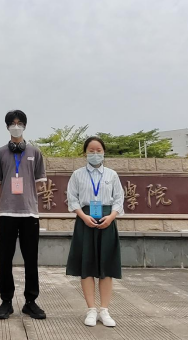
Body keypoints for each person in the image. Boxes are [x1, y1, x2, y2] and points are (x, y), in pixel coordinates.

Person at [0, 110, 47, 321]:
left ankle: (31, 302)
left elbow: (40, 184)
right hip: (7, 213)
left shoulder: (35, 152)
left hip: (29, 213)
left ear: (24, 126)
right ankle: (6, 301)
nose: (16, 126)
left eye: (19, 123)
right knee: (5, 259)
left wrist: (27, 195)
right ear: (7, 127)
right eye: (12, 123)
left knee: (31, 259)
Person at [66, 137, 125, 328]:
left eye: (98, 150)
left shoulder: (112, 175)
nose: (95, 154)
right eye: (91, 151)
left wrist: (111, 217)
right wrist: (83, 217)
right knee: (87, 265)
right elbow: (72, 198)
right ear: (85, 153)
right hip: (85, 221)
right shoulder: (77, 175)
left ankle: (104, 310)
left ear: (104, 152)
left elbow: (119, 199)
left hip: (107, 221)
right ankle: (91, 309)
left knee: (106, 266)